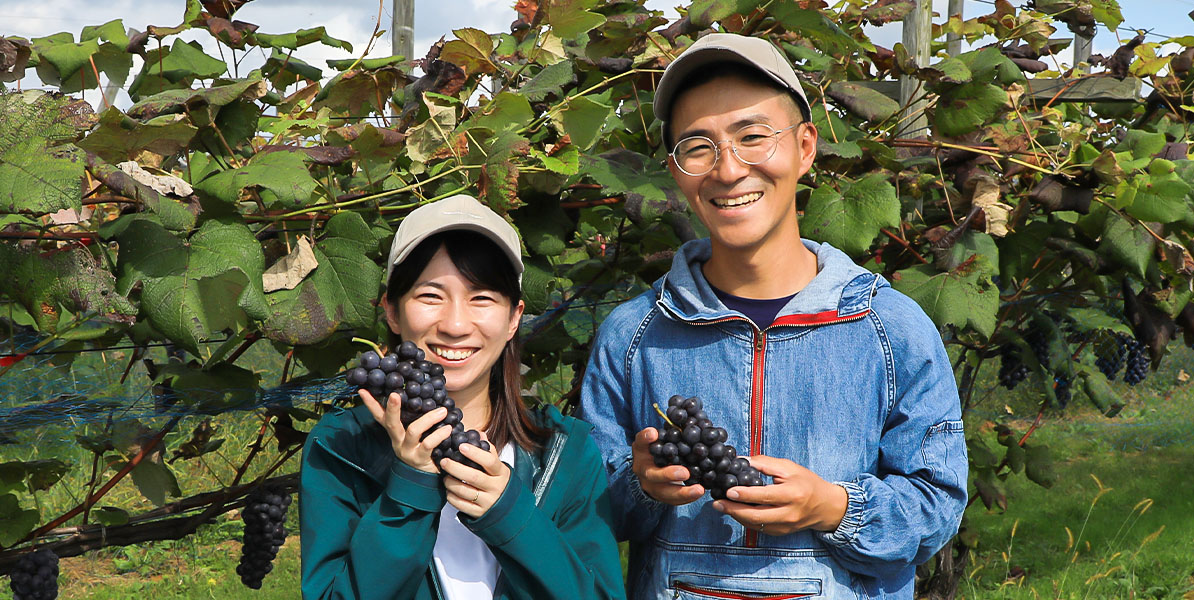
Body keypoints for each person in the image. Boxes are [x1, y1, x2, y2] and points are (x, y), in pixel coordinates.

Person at [580, 33, 968, 599]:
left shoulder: (890, 330)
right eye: (698, 147)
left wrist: (833, 507)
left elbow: (938, 507)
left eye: (752, 137)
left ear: (805, 147)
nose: (727, 170)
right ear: (675, 169)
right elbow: (592, 511)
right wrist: (640, 485)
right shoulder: (633, 335)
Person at [300, 194, 625, 600]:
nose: (455, 325)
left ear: (514, 318)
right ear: (392, 312)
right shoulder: (340, 447)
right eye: (431, 296)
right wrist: (411, 487)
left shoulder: (566, 452)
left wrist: (512, 516)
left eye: (482, 298)